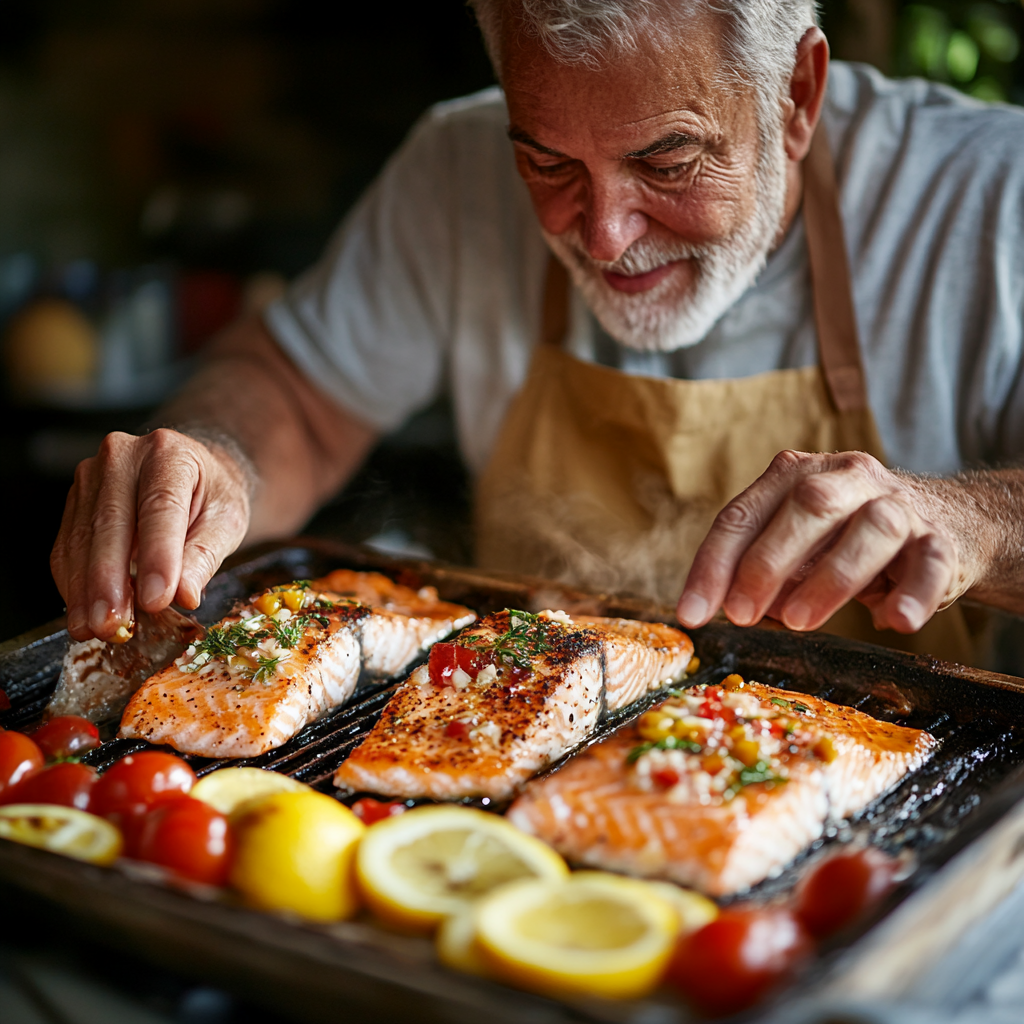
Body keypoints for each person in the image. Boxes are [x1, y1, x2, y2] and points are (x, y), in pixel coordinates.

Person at [52, 0, 1024, 665]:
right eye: (546, 162)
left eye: (669, 160)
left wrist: (977, 520)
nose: (602, 234)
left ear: (795, 96)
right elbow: (296, 397)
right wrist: (219, 463)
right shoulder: (451, 166)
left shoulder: (990, 194)